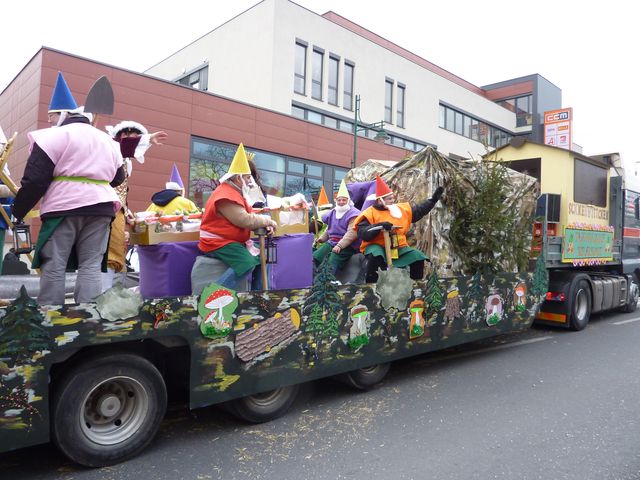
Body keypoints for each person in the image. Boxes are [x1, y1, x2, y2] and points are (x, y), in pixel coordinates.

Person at [11, 107, 125, 305]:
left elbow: (35, 180)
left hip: (63, 206)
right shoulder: (108, 141)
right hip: (101, 207)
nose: (50, 120)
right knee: (91, 265)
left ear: (64, 117)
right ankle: (88, 314)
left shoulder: (53, 137)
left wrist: (18, 210)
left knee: (54, 263)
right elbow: (118, 178)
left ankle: (51, 313)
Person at [196, 143, 277, 290]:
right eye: (247, 177)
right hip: (217, 242)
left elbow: (250, 216)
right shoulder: (225, 195)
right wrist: (267, 220)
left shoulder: (236, 193)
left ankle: (259, 294)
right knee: (246, 263)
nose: (250, 181)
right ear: (238, 178)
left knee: (262, 256)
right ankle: (213, 295)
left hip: (229, 241)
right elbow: (244, 220)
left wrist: (265, 225)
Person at [102, 121, 168, 290]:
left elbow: (120, 192)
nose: (131, 139)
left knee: (111, 256)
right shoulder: (111, 149)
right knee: (107, 255)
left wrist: (127, 211)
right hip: (105, 211)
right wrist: (147, 138)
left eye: (135, 136)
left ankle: (103, 293)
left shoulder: (124, 161)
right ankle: (100, 296)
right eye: (127, 135)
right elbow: (120, 146)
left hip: (115, 212)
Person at [354, 175, 444, 283]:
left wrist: (432, 201)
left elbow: (418, 211)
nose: (392, 201)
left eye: (392, 198)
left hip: (398, 246)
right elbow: (363, 233)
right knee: (375, 255)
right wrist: (379, 226)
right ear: (380, 200)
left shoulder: (400, 209)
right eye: (389, 199)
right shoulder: (369, 213)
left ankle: (415, 286)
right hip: (377, 245)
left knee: (417, 257)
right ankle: (372, 285)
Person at [313, 180, 360, 274]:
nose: (341, 202)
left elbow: (352, 233)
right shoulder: (333, 212)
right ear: (336, 201)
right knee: (316, 256)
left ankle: (328, 279)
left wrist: (340, 245)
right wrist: (322, 239)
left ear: (348, 201)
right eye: (339, 200)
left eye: (344, 200)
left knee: (333, 259)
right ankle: (311, 276)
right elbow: (330, 229)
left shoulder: (353, 214)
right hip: (332, 242)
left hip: (348, 245)